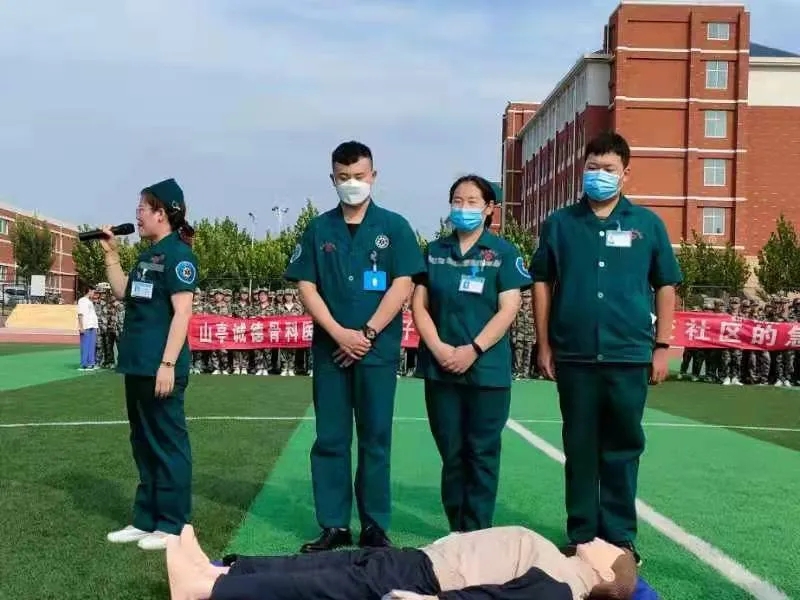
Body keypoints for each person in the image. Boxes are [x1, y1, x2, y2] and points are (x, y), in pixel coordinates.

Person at [530, 132, 682, 565]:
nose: (599, 175)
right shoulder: (560, 223)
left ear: (625, 173)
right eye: (592, 167)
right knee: (579, 447)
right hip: (574, 355)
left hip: (628, 356)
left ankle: (619, 536)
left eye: (608, 169)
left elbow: (665, 284)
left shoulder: (647, 224)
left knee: (623, 447)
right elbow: (542, 281)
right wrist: (544, 343)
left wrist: (662, 346)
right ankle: (581, 534)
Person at [284, 140, 426, 552]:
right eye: (343, 177)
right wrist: (338, 332)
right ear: (332, 178)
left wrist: (366, 334)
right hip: (331, 351)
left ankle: (374, 526)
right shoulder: (318, 229)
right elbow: (307, 285)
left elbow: (403, 283)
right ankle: (334, 524)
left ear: (373, 176)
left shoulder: (395, 227)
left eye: (359, 176)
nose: (352, 183)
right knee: (330, 438)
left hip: (376, 351)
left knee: (375, 438)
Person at [411, 174, 531, 533]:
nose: (463, 208)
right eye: (457, 201)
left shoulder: (503, 253)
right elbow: (419, 306)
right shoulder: (434, 252)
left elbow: (508, 308)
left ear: (489, 208)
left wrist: (473, 349)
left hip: (487, 371)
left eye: (472, 202)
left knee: (482, 453)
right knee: (451, 452)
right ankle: (456, 529)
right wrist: (439, 348)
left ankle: (477, 531)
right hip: (441, 369)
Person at [100, 177, 199, 551]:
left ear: (162, 213)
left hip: (161, 366)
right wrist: (111, 254)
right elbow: (122, 291)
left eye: (142, 208)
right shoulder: (147, 255)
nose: (137, 215)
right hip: (138, 364)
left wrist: (168, 363)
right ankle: (146, 520)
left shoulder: (179, 255)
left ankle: (173, 525)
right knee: (143, 442)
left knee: (168, 444)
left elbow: (182, 312)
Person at [166, 524, 638, 600]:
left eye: (609, 549)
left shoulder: (563, 584)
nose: (599, 539)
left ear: (603, 571)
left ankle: (205, 590)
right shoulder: (558, 562)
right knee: (322, 570)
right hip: (423, 560)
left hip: (427, 578)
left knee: (320, 585)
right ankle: (222, 570)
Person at [77, 285, 99, 370]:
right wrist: (81, 327)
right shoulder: (82, 300)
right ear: (89, 291)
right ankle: (84, 364)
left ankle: (91, 363)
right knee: (85, 346)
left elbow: (92, 315)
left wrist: (95, 326)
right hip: (85, 326)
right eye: (93, 291)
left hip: (92, 326)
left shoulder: (90, 301)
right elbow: (80, 314)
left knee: (91, 346)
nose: (94, 293)